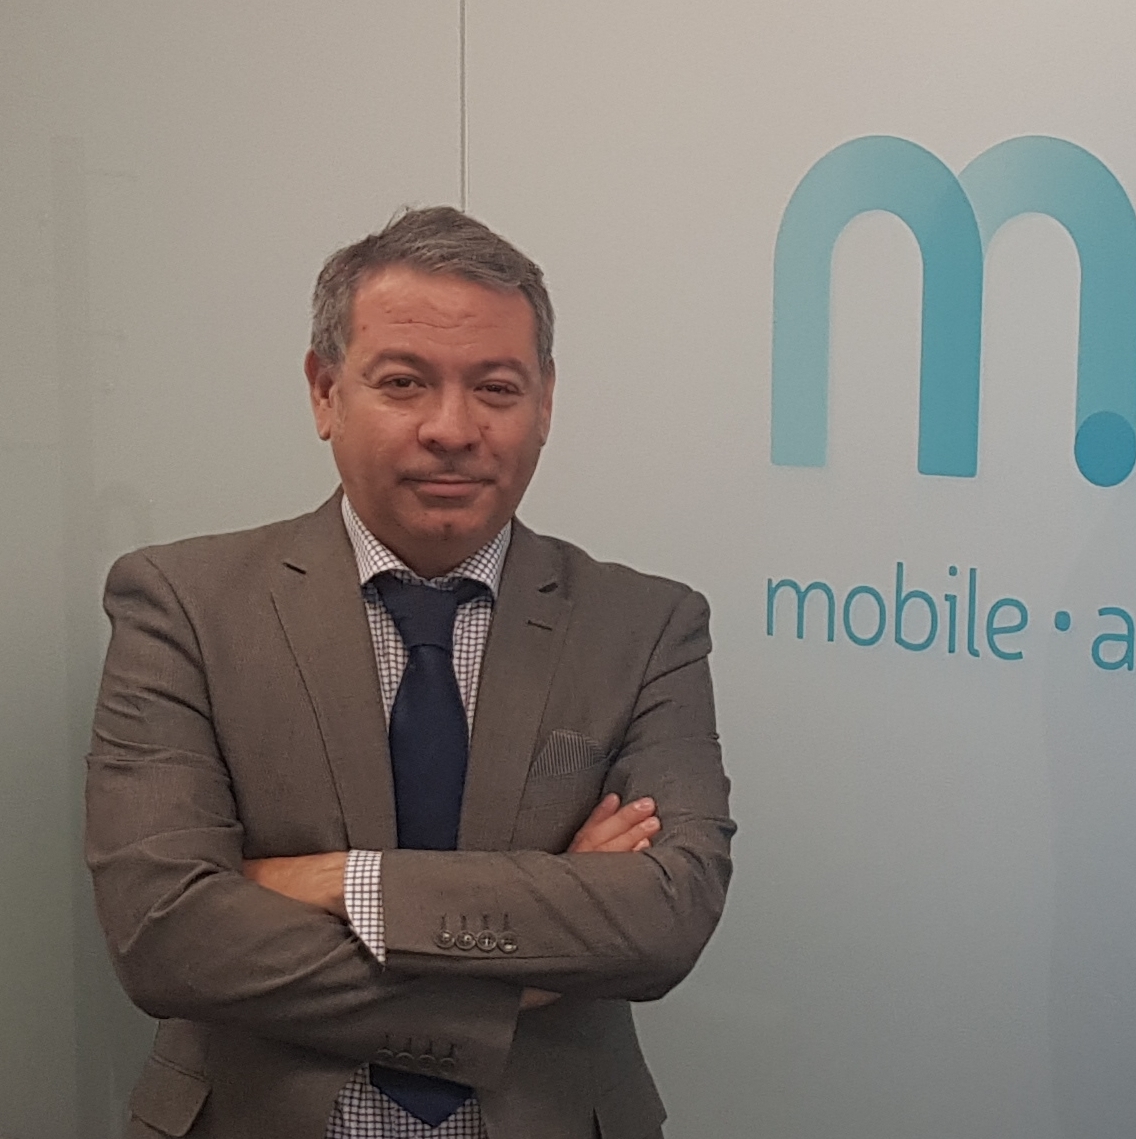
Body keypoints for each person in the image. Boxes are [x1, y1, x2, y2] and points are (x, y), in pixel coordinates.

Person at [84, 206, 734, 1138]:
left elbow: (667, 917)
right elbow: (163, 935)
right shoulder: (183, 605)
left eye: (496, 388)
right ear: (325, 393)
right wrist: (520, 974)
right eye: (403, 382)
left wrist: (346, 882)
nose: (452, 428)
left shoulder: (647, 626)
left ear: (545, 401)